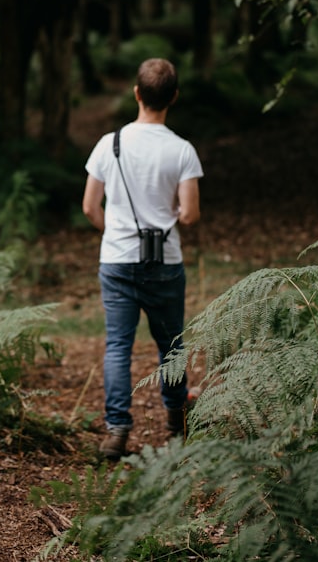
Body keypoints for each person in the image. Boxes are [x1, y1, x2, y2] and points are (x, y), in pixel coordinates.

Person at [82, 57, 204, 460]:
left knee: (118, 345)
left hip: (116, 259)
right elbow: (189, 214)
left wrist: (114, 234)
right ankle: (175, 420)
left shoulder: (109, 144)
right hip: (164, 262)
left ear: (136, 93)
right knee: (170, 345)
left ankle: (117, 431)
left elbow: (89, 207)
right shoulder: (182, 150)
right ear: (174, 97)